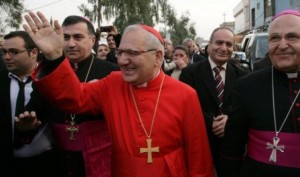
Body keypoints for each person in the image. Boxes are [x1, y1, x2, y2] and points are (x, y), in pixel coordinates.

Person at [22, 11, 215, 177]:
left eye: (132, 53)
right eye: (121, 52)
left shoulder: (185, 94)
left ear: (157, 56)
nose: (122, 61)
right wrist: (55, 56)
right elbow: (74, 97)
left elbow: (199, 155)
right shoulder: (112, 83)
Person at [220, 9, 300, 177]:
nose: (282, 45)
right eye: (275, 38)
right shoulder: (247, 86)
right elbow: (231, 151)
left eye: (292, 37)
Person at [42, 15, 118, 177]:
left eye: (78, 37)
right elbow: (39, 107)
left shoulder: (112, 71)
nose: (70, 44)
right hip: (58, 158)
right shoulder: (48, 71)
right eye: (65, 37)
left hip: (100, 156)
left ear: (92, 40)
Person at [179, 27, 248, 176]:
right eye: (219, 43)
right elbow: (186, 108)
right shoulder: (190, 73)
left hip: (231, 148)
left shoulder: (242, 75)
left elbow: (245, 108)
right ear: (208, 46)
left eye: (229, 44)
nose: (224, 48)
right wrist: (212, 122)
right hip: (201, 142)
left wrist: (229, 121)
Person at [0, 31, 60, 177]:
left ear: (33, 52)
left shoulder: (50, 80)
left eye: (14, 52)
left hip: (45, 164)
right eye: (4, 52)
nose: (7, 57)